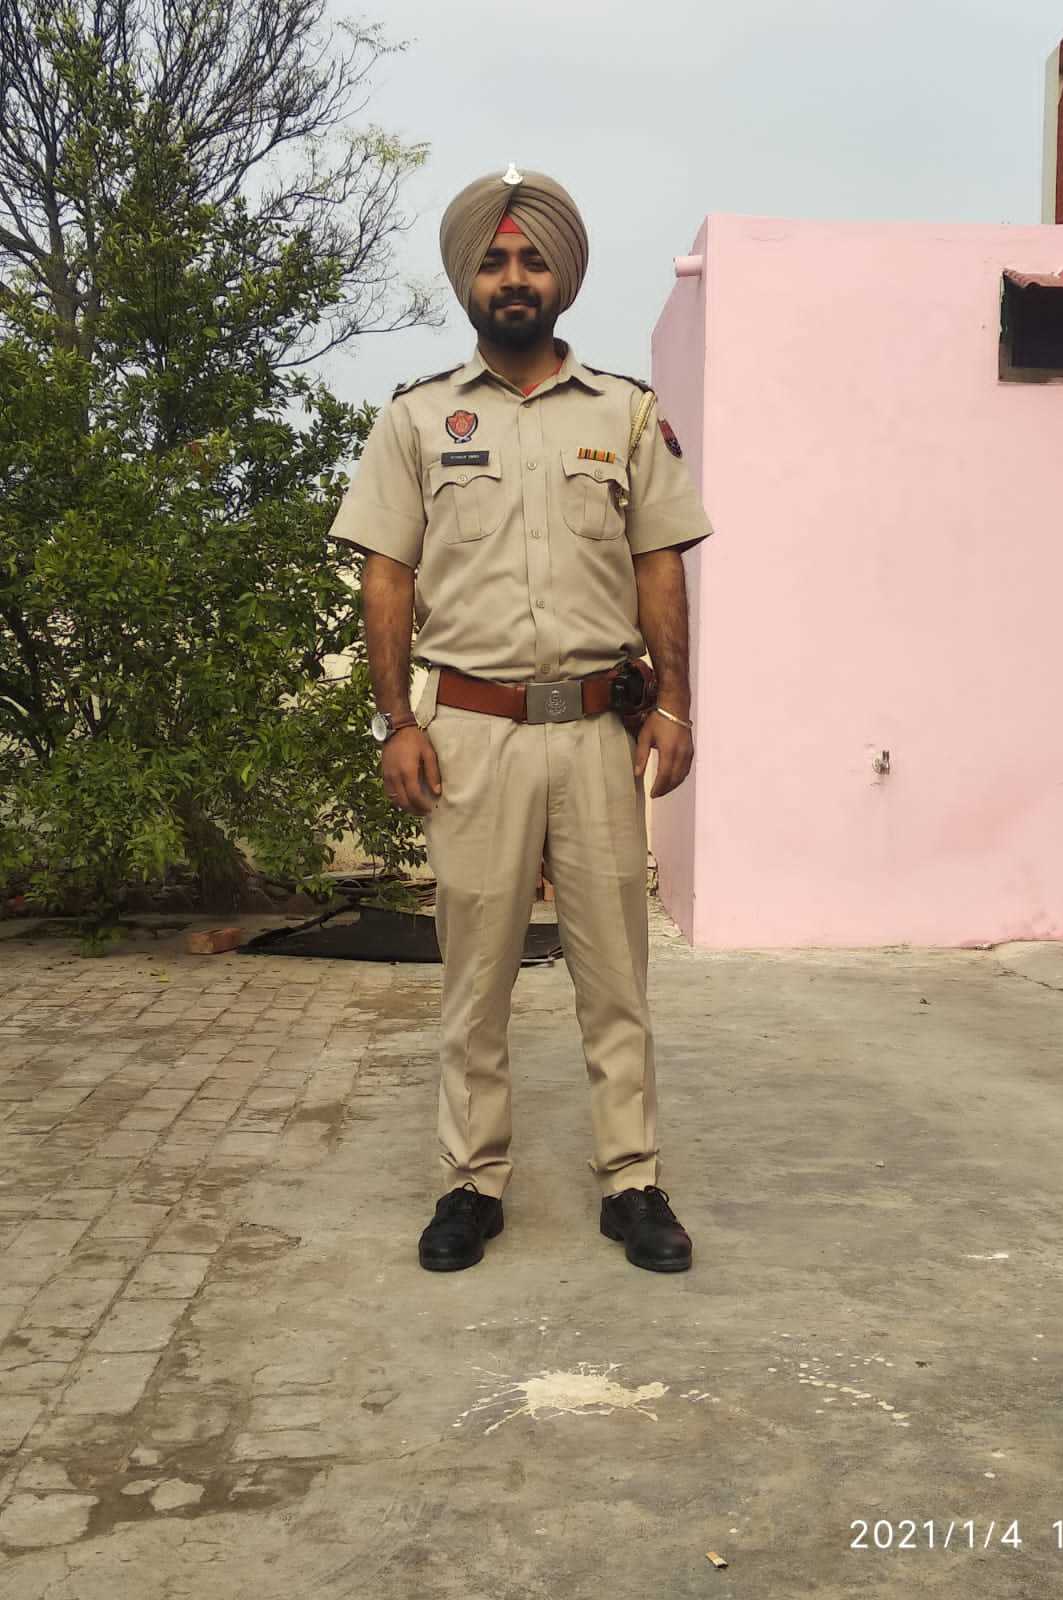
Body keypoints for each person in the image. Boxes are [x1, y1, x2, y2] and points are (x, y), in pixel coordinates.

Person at [329, 164, 714, 1273]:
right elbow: (388, 575)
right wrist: (396, 721)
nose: (513, 276)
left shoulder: (624, 414)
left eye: (532, 260)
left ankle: (632, 1181)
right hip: (472, 736)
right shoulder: (417, 418)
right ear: (469, 279)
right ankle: (470, 1182)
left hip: (597, 731)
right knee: (475, 975)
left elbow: (659, 564)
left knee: (616, 973)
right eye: (495, 260)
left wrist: (676, 703)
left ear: (562, 279)